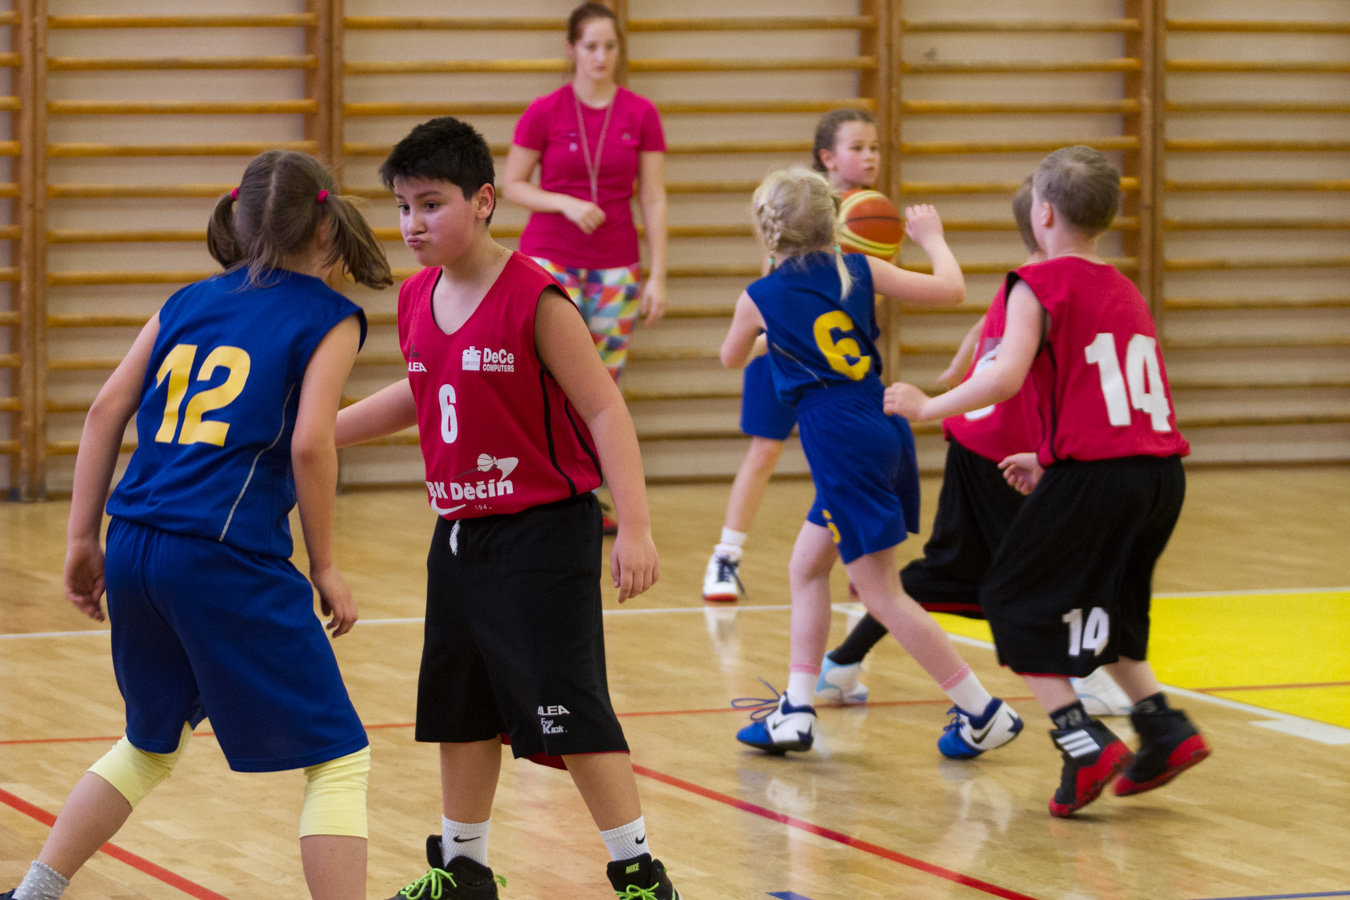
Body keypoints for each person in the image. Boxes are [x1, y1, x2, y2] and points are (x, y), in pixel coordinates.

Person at [3, 150, 392, 900]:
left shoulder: (187, 301)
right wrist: (325, 564)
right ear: (326, 228)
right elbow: (311, 444)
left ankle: (34, 894)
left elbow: (103, 412)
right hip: (220, 553)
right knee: (339, 758)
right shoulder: (330, 316)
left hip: (134, 541)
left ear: (240, 225)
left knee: (149, 743)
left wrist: (81, 539)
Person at [335, 117, 679, 900]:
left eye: (431, 204)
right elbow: (421, 390)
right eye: (402, 207)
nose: (412, 224)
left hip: (543, 534)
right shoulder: (416, 297)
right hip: (458, 535)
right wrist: (318, 431)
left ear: (484, 201)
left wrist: (636, 528)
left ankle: (639, 873)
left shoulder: (536, 297)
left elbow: (604, 410)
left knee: (568, 707)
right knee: (460, 709)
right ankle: (464, 868)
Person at [886, 146, 1210, 817]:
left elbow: (1003, 376)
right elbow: (1108, 393)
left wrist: (928, 405)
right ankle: (1163, 728)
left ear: (1043, 214)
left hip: (1101, 476)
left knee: (1009, 598)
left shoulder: (1035, 284)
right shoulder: (1122, 285)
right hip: (1157, 474)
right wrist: (1052, 455)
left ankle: (1080, 741)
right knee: (1107, 605)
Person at [722, 166, 1023, 760]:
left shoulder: (760, 296)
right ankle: (796, 710)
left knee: (881, 592)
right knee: (807, 567)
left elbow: (733, 357)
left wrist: (770, 330)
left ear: (768, 233)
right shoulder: (858, 268)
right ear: (835, 223)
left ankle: (983, 711)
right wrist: (933, 239)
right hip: (881, 421)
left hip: (838, 438)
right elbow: (952, 290)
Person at [817, 178, 1134, 719]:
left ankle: (842, 664)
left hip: (975, 441)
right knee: (1046, 569)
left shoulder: (1024, 282)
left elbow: (985, 326)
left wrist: (963, 357)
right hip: (1004, 448)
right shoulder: (1059, 284)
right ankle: (1090, 677)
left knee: (949, 572)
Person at [703, 108, 883, 602]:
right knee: (765, 450)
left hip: (836, 357)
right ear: (828, 157)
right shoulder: (793, 202)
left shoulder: (874, 212)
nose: (870, 156)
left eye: (874, 147)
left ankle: (860, 557)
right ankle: (725, 556)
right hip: (780, 344)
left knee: (843, 456)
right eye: (858, 147)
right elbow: (771, 279)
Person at [501, 2, 667, 535]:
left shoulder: (641, 114)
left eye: (610, 46)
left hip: (617, 267)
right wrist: (565, 203)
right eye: (591, 46)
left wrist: (659, 273)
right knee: (543, 378)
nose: (601, 56)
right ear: (571, 49)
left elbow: (653, 197)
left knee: (602, 385)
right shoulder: (545, 111)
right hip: (550, 260)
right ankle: (535, 489)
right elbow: (511, 184)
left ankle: (586, 495)